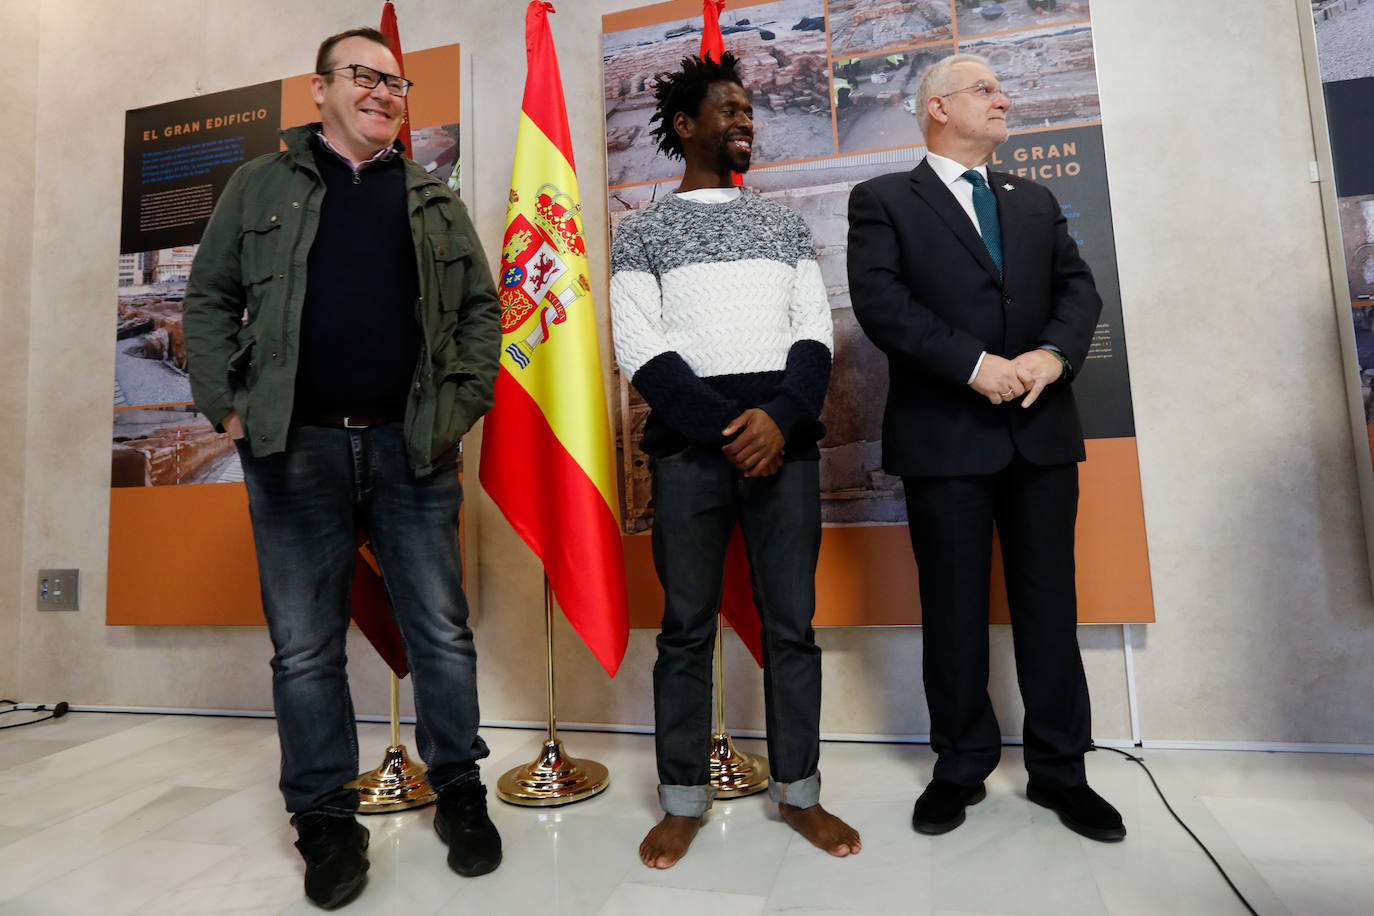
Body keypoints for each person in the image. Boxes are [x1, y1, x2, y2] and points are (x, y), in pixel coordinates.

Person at [183, 27, 502, 908]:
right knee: (304, 650)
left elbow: (481, 310)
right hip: (295, 448)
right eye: (362, 76)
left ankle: (462, 795)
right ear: (318, 89)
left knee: (441, 629)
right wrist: (230, 408)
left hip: (411, 445)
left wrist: (459, 406)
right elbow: (208, 296)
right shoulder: (259, 184)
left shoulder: (432, 197)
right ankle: (325, 821)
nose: (383, 92)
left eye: (395, 81)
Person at [846, 53, 1125, 842]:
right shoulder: (884, 199)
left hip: (1040, 434)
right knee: (955, 612)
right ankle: (959, 767)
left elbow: (1079, 290)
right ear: (937, 107)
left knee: (1050, 609)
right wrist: (976, 368)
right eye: (985, 90)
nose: (1005, 99)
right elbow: (883, 305)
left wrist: (1051, 357)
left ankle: (1061, 773)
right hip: (945, 440)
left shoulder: (1032, 199)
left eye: (1003, 88)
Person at [609, 53, 861, 869]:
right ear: (686, 127)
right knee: (685, 629)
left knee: (792, 626)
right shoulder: (642, 231)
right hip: (689, 457)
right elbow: (639, 347)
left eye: (749, 109)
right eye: (730, 109)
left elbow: (813, 335)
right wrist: (730, 431)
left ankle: (801, 795)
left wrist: (779, 421)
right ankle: (683, 800)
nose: (747, 120)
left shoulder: (784, 223)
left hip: (782, 450)